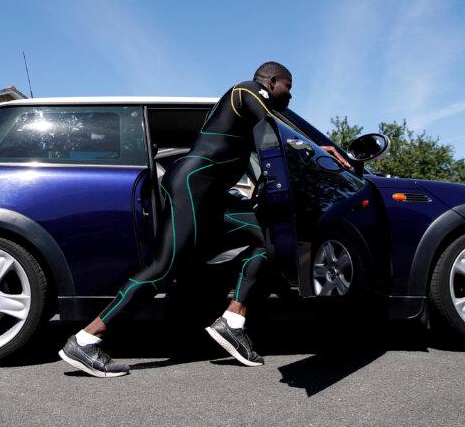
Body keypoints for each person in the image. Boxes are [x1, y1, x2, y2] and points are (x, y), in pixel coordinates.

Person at [57, 62, 350, 377]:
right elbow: (273, 122)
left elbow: (271, 145)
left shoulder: (252, 124)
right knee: (164, 269)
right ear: (272, 80)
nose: (290, 95)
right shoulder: (246, 91)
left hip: (210, 198)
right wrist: (315, 146)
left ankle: (233, 321)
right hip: (192, 187)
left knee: (269, 238)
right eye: (288, 87)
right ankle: (86, 339)